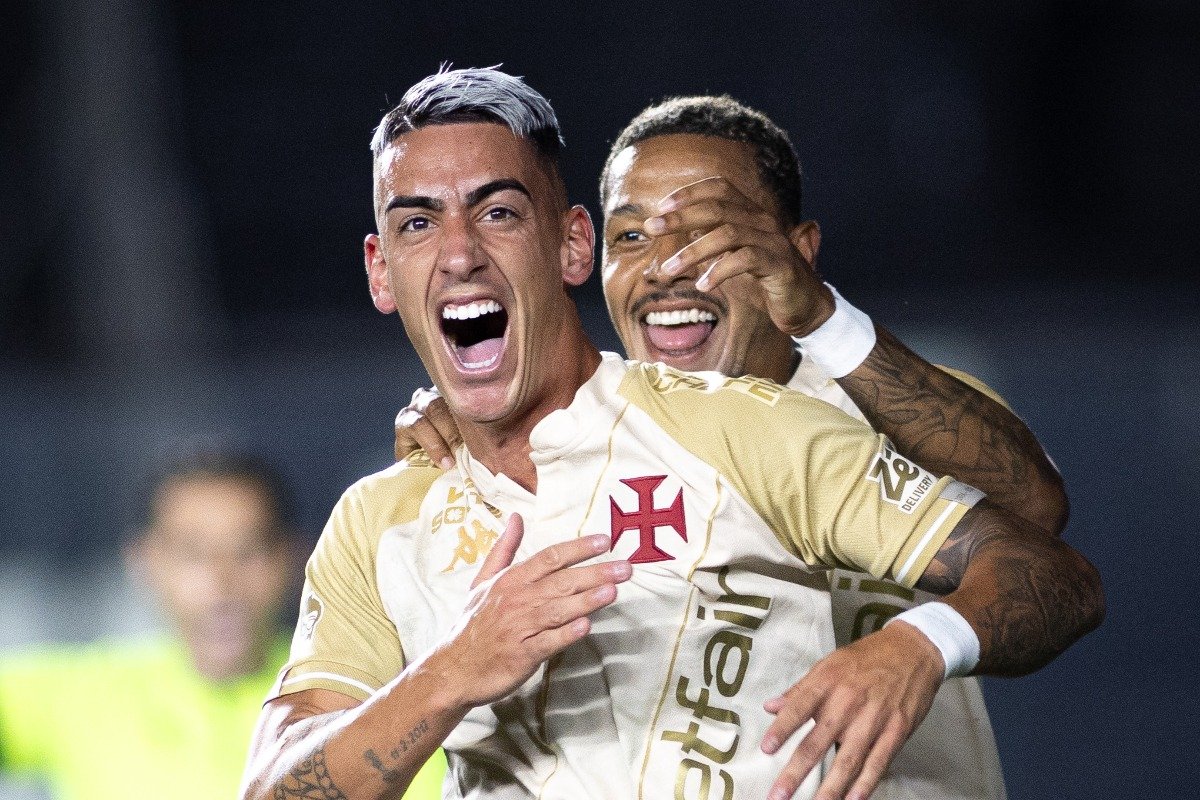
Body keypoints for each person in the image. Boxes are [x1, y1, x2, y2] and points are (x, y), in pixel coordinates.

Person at [241, 68, 1103, 800]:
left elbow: (1045, 543)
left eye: (498, 213)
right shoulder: (384, 519)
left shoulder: (762, 424)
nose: (669, 266)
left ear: (567, 246)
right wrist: (451, 672)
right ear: (380, 270)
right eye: (418, 223)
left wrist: (919, 644)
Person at [0, 450, 444, 800]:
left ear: (297, 559)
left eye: (247, 551)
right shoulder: (76, 698)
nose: (222, 582)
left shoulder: (377, 707)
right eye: (193, 554)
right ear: (145, 563)